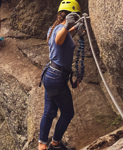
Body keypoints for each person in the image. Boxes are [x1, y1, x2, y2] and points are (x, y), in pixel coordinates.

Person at [38, 0, 82, 150]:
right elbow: (58, 39)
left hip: (50, 75)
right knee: (68, 113)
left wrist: (74, 27)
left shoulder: (54, 28)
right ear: (71, 16)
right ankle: (55, 144)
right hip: (56, 78)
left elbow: (62, 36)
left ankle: (42, 145)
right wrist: (67, 26)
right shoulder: (59, 30)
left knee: (49, 113)